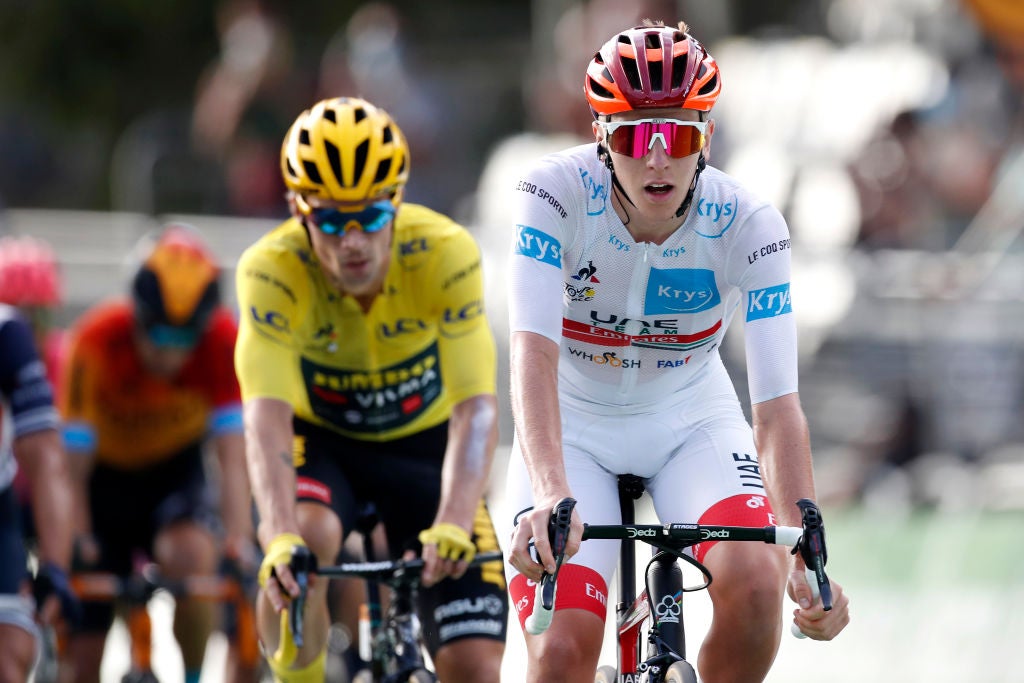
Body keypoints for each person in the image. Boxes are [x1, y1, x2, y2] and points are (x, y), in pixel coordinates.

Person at [503, 20, 851, 682]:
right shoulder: (553, 195)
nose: (658, 159)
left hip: (689, 418)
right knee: (561, 653)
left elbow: (777, 407)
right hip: (572, 425)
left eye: (680, 136)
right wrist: (549, 490)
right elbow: (534, 355)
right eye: (636, 137)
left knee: (757, 584)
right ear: (601, 135)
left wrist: (806, 549)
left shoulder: (750, 224)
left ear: (707, 138)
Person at [234, 96, 507, 683]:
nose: (353, 241)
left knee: (476, 668)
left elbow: (476, 405)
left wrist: (455, 518)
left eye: (372, 217)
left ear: (397, 202)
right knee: (304, 544)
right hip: (323, 446)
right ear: (298, 210)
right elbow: (264, 416)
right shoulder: (271, 270)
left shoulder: (446, 252)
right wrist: (278, 535)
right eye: (332, 221)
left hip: (424, 446)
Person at [60, 224, 254, 683]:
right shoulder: (94, 340)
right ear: (136, 317)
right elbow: (70, 469)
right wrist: (77, 538)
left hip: (175, 473)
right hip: (102, 482)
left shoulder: (221, 341)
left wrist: (239, 542)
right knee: (83, 659)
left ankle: (191, 675)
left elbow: (233, 458)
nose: (170, 354)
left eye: (184, 340)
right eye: (159, 336)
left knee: (193, 557)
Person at [0, 252, 77, 683]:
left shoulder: (9, 333)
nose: (35, 327)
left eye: (41, 315)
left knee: (7, 653)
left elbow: (50, 461)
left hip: (11, 504)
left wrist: (55, 566)